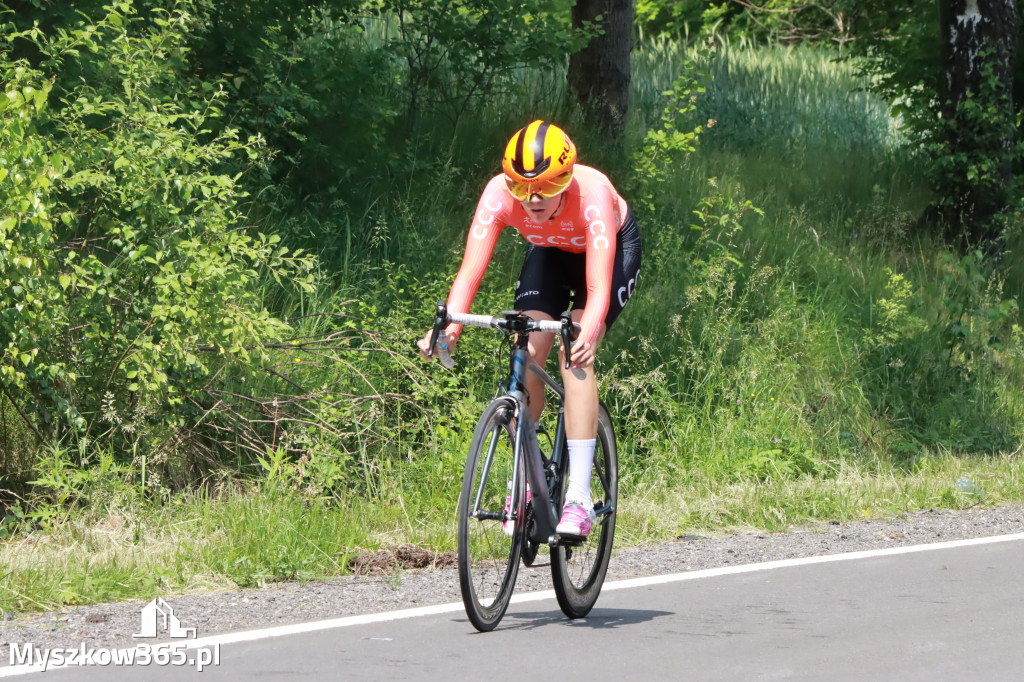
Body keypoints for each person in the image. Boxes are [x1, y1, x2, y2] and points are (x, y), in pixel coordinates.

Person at [417, 120, 641, 537]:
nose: (533, 199)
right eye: (521, 188)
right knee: (528, 347)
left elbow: (597, 288)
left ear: (566, 178)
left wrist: (588, 332)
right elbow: (470, 273)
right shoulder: (496, 195)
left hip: (607, 253)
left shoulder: (590, 193)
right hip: (549, 254)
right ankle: (529, 472)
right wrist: (448, 329)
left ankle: (577, 495)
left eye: (547, 187)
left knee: (572, 349)